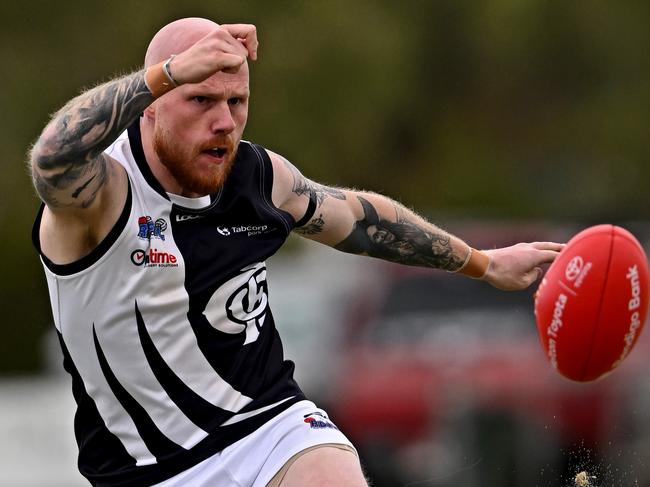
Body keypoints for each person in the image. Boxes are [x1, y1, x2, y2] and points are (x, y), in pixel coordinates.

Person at [29, 17, 563, 487]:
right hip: (145, 471)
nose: (224, 122)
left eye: (236, 102)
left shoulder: (255, 177)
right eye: (200, 99)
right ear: (150, 109)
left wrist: (485, 263)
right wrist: (168, 71)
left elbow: (358, 219)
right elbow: (50, 156)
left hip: (268, 428)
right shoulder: (100, 196)